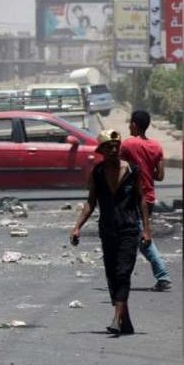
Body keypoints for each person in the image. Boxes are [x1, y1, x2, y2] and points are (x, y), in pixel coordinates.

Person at [71, 130, 151, 335]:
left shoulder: (132, 170)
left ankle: (116, 319)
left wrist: (146, 229)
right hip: (107, 230)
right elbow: (91, 202)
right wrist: (77, 227)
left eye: (116, 146)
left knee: (123, 272)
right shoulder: (97, 172)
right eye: (109, 147)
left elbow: (141, 199)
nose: (114, 150)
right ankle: (125, 320)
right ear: (102, 151)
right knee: (112, 274)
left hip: (129, 229)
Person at [120, 110, 172, 292]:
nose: (129, 126)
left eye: (130, 123)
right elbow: (160, 175)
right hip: (149, 197)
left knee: (141, 238)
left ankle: (163, 276)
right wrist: (146, 171)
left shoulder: (127, 144)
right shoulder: (156, 146)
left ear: (134, 125)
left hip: (133, 198)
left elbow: (120, 170)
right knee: (136, 236)